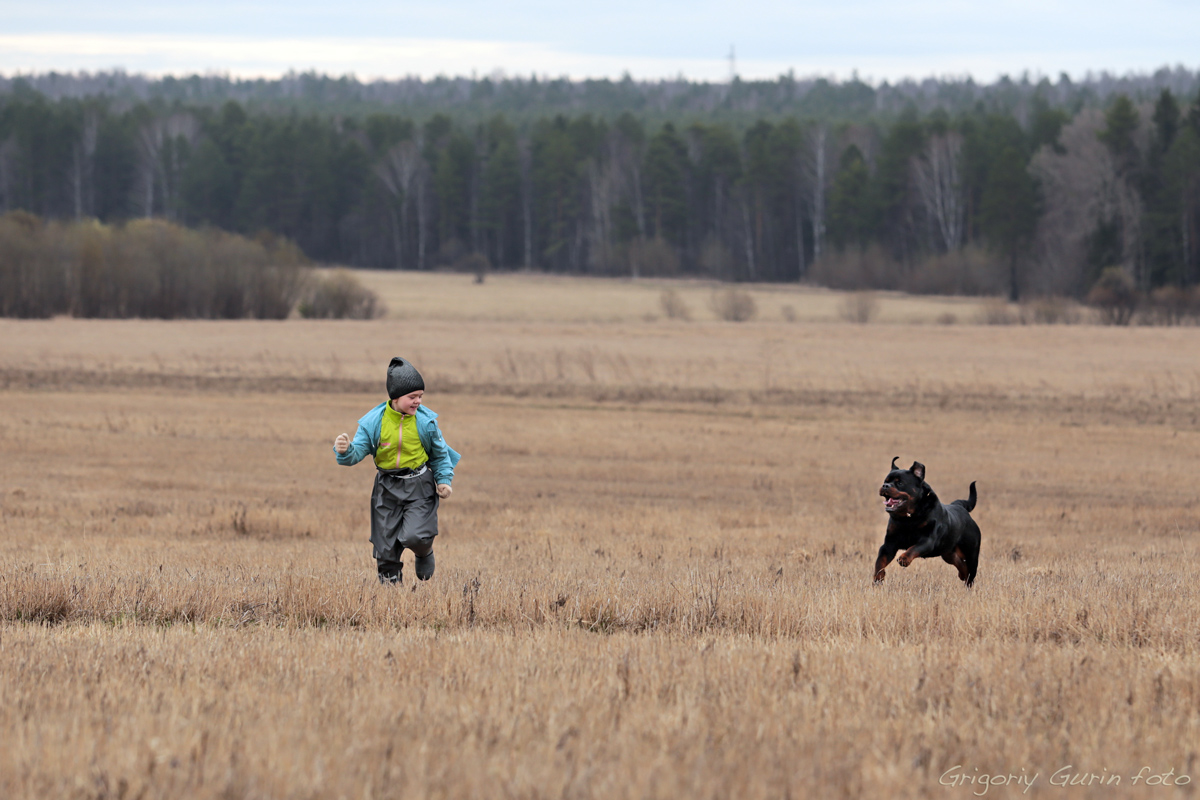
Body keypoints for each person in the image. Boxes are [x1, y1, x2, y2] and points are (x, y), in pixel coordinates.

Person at [333, 357, 461, 584]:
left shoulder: (426, 423)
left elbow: (440, 455)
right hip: (386, 488)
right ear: (395, 397)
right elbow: (356, 454)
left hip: (420, 485)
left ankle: (424, 551)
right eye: (412, 397)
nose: (418, 401)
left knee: (416, 536)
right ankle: (392, 596)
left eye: (420, 396)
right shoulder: (374, 422)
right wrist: (344, 450)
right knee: (385, 547)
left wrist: (444, 480)